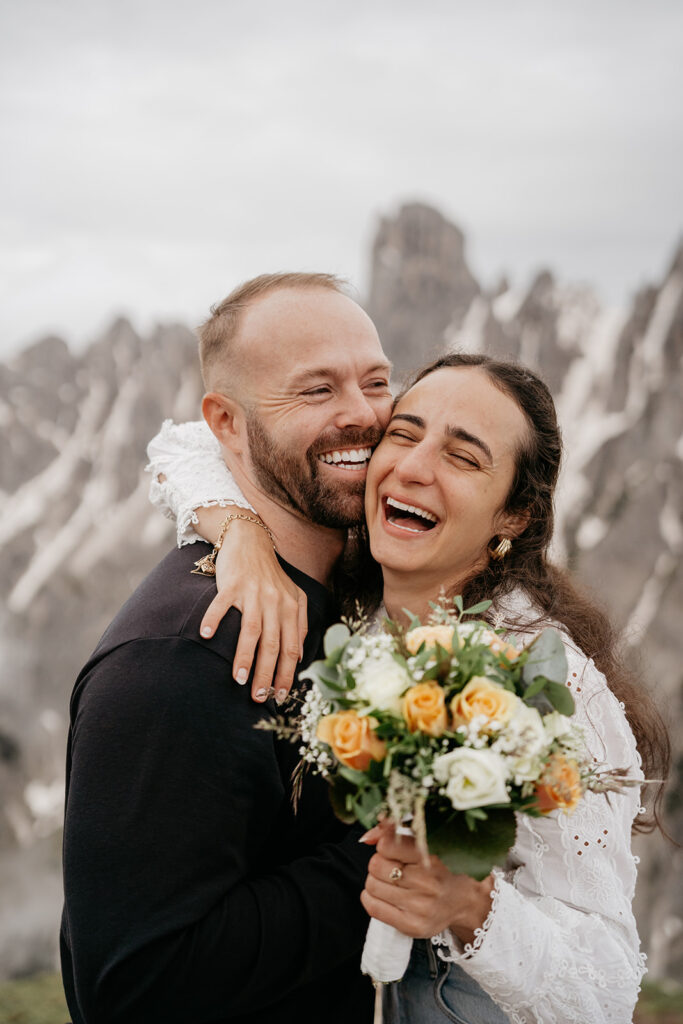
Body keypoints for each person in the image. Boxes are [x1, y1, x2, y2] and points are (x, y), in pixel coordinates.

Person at [147, 353, 670, 1024]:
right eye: (403, 432)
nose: (413, 467)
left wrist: (471, 907)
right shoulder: (355, 586)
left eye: (462, 457)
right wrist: (240, 532)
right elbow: (185, 440)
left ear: (512, 514)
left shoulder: (550, 682)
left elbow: (607, 988)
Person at [60, 272, 395, 1024]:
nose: (362, 415)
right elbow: (137, 986)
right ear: (229, 425)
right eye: (315, 391)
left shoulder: (332, 593)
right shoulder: (181, 658)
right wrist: (387, 855)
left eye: (375, 381)